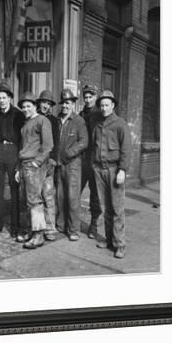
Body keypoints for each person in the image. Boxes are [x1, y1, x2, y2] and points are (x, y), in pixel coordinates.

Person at [92, 90, 131, 259]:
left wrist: (122, 169)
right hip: (99, 169)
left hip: (115, 170)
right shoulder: (97, 123)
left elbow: (126, 149)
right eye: (101, 105)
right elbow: (93, 146)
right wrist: (93, 165)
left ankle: (119, 244)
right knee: (105, 207)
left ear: (113, 105)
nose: (104, 108)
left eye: (107, 105)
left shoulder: (120, 124)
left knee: (117, 208)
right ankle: (109, 240)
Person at [14, 92, 53, 249]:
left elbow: (48, 145)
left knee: (35, 200)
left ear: (35, 106)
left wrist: (37, 162)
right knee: (25, 200)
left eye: (28, 106)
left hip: (34, 165)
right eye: (23, 107)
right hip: (24, 165)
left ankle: (39, 235)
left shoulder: (42, 120)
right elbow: (23, 148)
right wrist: (18, 168)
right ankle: (30, 231)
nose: (25, 109)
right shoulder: (25, 124)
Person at [0, 81, 25, 237]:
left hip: (13, 151)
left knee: (14, 188)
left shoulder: (18, 115)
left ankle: (15, 227)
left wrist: (20, 159)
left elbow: (23, 137)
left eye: (4, 97)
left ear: (10, 98)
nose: (1, 100)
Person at [55, 89, 88, 241]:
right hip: (59, 164)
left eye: (68, 103)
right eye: (63, 103)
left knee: (72, 197)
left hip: (73, 164)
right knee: (60, 196)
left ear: (73, 104)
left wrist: (69, 153)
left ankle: (73, 229)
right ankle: (61, 225)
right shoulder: (57, 119)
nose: (65, 106)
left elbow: (84, 141)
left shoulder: (79, 121)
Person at [35, 90, 60, 241]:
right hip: (34, 162)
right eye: (44, 102)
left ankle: (50, 228)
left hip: (48, 163)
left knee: (48, 195)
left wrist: (53, 160)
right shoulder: (33, 117)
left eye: (48, 104)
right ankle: (36, 227)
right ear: (39, 103)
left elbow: (56, 142)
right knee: (34, 196)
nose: (46, 106)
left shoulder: (53, 121)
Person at [79, 83, 102, 238]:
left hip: (95, 160)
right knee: (75, 191)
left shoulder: (101, 115)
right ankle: (72, 221)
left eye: (90, 96)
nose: (87, 99)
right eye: (85, 97)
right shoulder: (80, 115)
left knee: (95, 195)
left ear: (95, 97)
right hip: (81, 160)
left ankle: (93, 225)